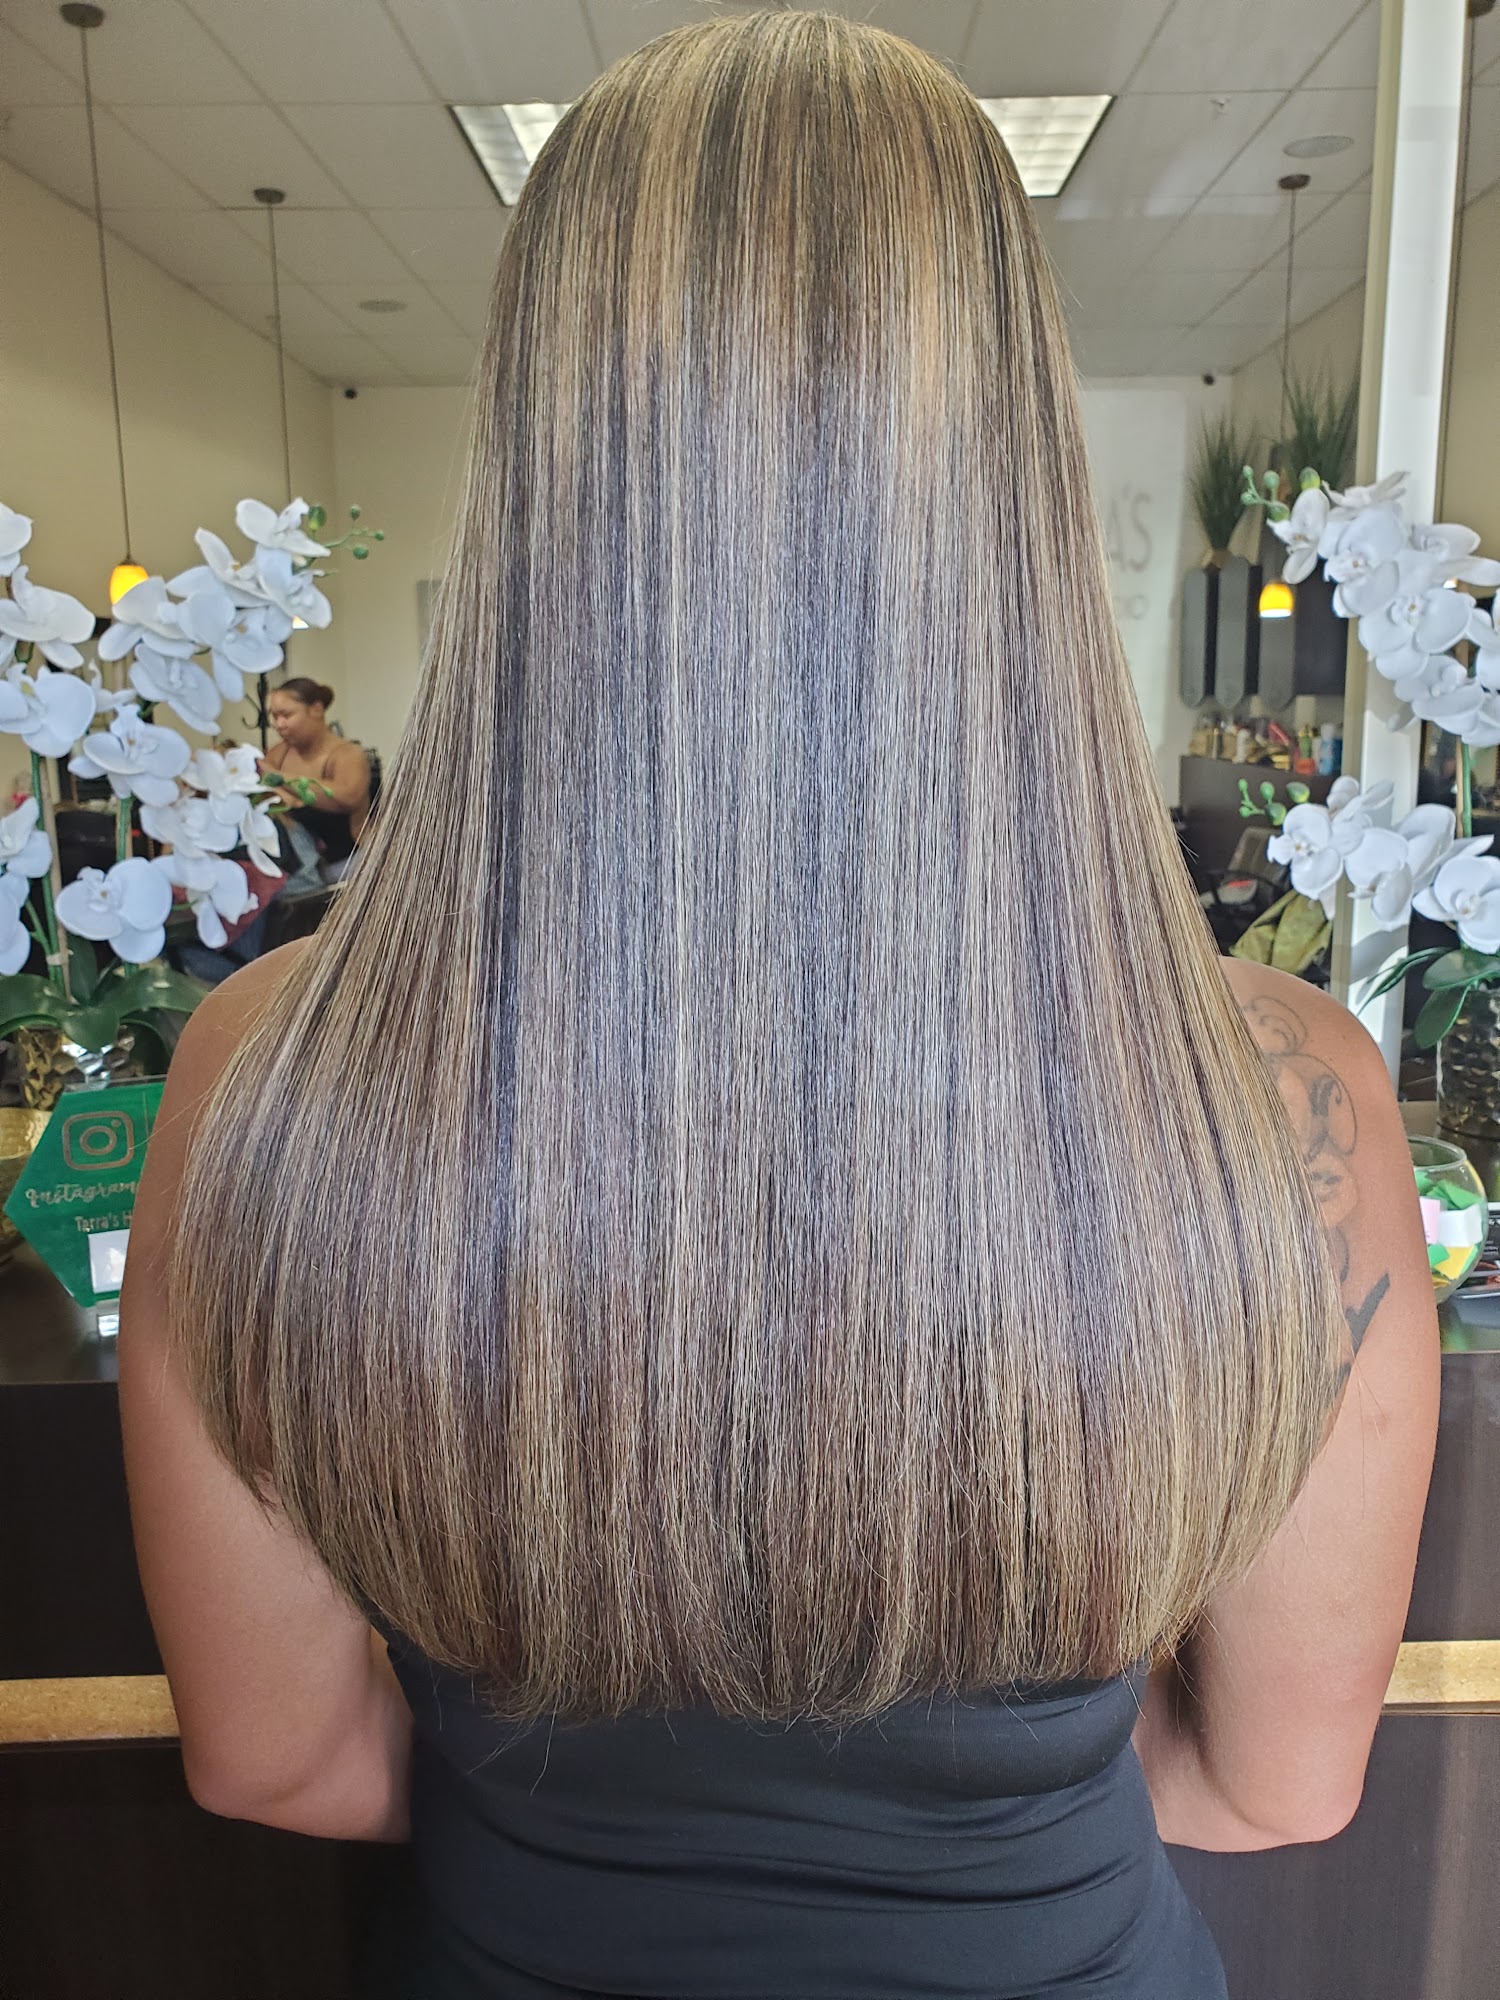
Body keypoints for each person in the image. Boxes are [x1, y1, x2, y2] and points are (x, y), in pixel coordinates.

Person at [119, 15, 1437, 1999]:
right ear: (1015, 448)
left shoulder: (268, 1077)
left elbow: (277, 1756)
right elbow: (1277, 1784)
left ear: (537, 436)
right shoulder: (1277, 1096)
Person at [262, 677, 371, 881]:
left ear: (316, 710)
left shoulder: (348, 754)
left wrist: (281, 781)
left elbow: (349, 797)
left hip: (350, 863)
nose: (279, 725)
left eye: (287, 715)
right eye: (275, 717)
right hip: (300, 868)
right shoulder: (278, 754)